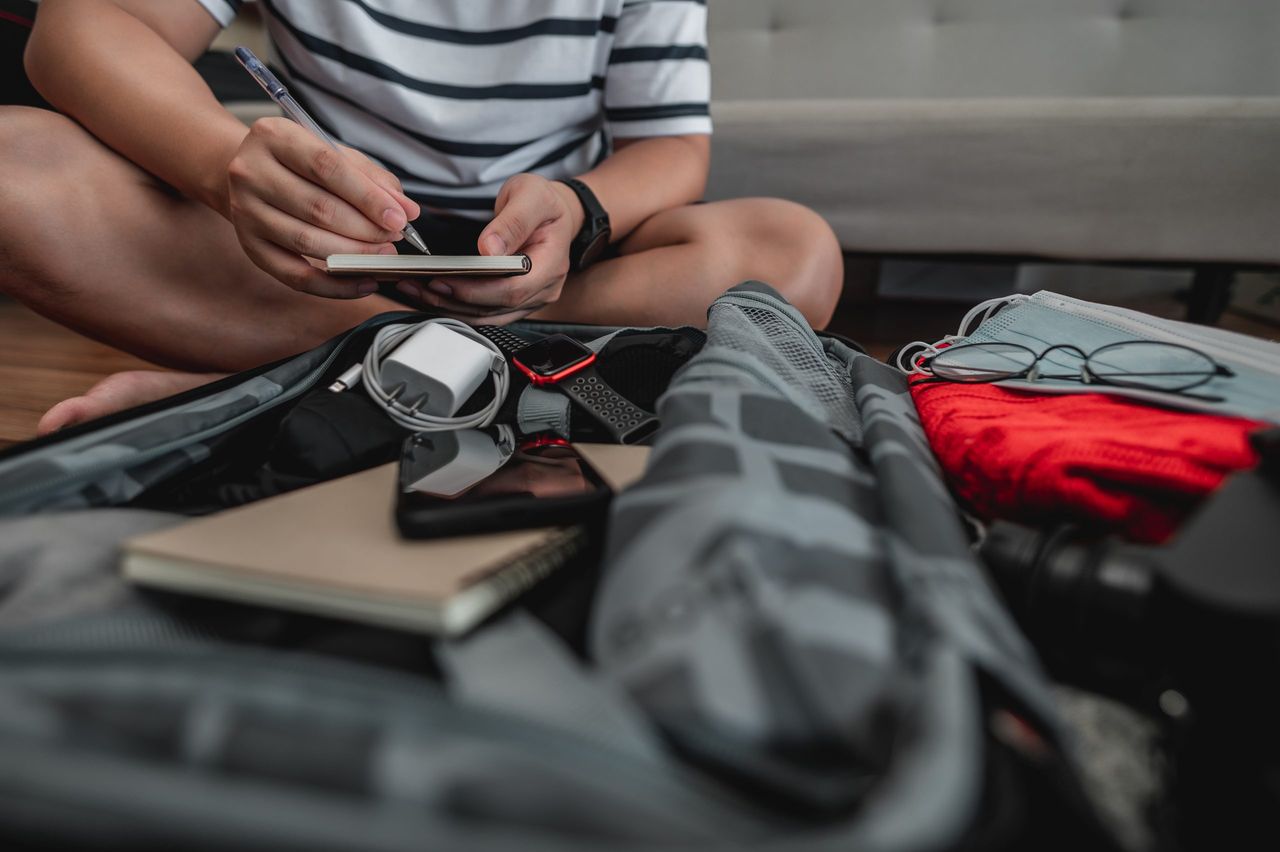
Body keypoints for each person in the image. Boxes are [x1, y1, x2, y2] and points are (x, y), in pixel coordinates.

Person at [0, 0, 844, 434]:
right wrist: (227, 168)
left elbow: (670, 152)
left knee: (789, 254)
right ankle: (473, 383)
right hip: (322, 262)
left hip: (547, 277)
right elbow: (81, 29)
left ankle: (284, 388)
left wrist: (582, 211)